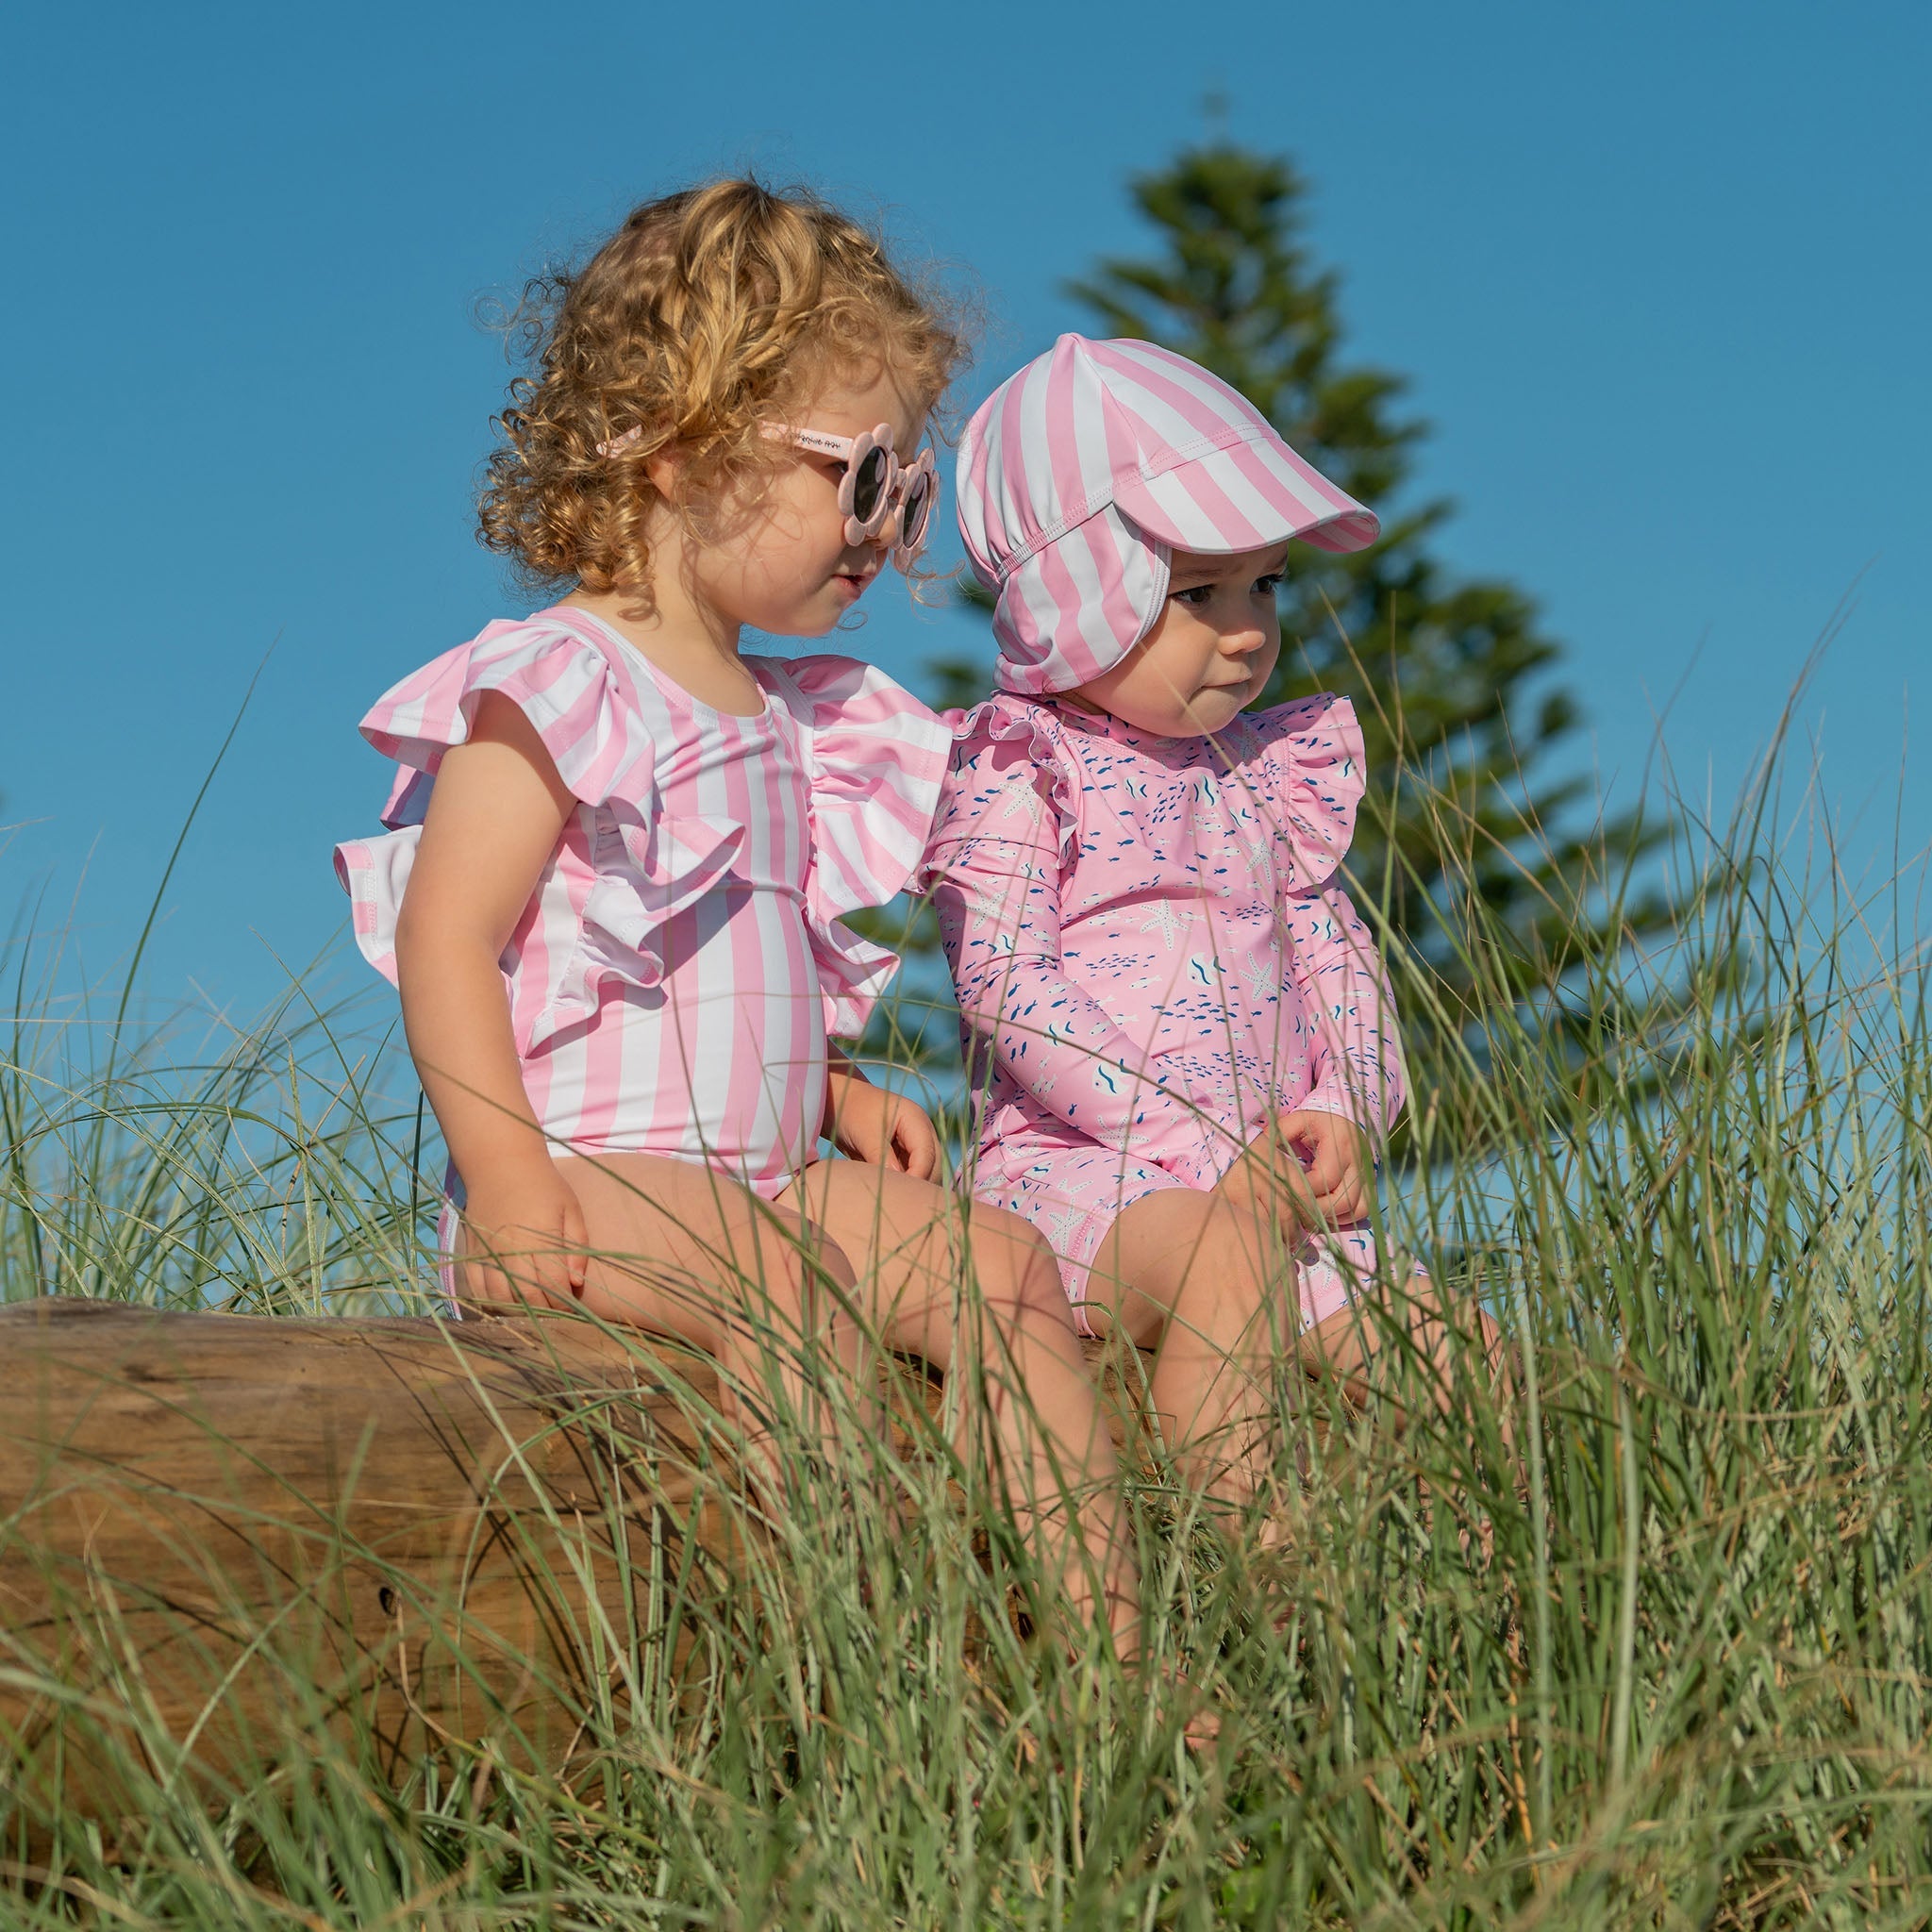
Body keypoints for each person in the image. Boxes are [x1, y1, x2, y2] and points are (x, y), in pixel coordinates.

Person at [333, 186, 1138, 1654]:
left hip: (761, 1173)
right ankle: (868, 1673)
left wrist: (829, 1086)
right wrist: (507, 1182)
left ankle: (1106, 1664)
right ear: (686, 448)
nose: (889, 532)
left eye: (908, 488)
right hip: (590, 1178)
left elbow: (719, 960)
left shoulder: (786, 719)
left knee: (1000, 1267)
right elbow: (448, 942)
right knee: (791, 1303)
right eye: (864, 475)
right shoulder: (560, 680)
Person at [925, 334, 1498, 1526]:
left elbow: (1333, 955)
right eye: (1197, 592)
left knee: (1458, 1353)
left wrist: (1342, 1103)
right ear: (1075, 588)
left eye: (1264, 585)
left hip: (1268, 1193)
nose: (1245, 629)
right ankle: (1244, 1589)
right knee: (1222, 1273)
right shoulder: (1023, 766)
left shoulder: (1260, 775)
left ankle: (1501, 1632)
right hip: (1087, 1185)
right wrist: (1191, 1138)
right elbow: (1005, 986)